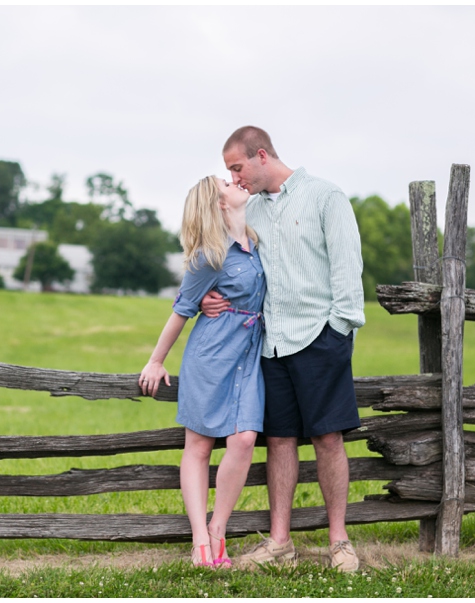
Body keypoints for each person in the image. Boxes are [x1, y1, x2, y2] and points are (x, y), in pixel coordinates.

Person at [201, 126, 365, 573]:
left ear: (260, 156)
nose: (234, 178)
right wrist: (204, 296)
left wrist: (337, 330)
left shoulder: (325, 197)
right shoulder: (250, 208)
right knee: (279, 441)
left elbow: (348, 272)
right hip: (270, 344)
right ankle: (280, 542)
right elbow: (229, 260)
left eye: (237, 168)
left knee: (328, 439)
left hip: (320, 337)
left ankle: (339, 542)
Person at [139, 175, 266, 569]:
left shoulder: (257, 244)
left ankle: (218, 530)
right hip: (211, 357)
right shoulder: (208, 256)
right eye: (225, 183)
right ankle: (200, 543)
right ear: (218, 203)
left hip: (250, 357)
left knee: (243, 439)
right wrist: (156, 360)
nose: (235, 181)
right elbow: (181, 307)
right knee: (199, 446)